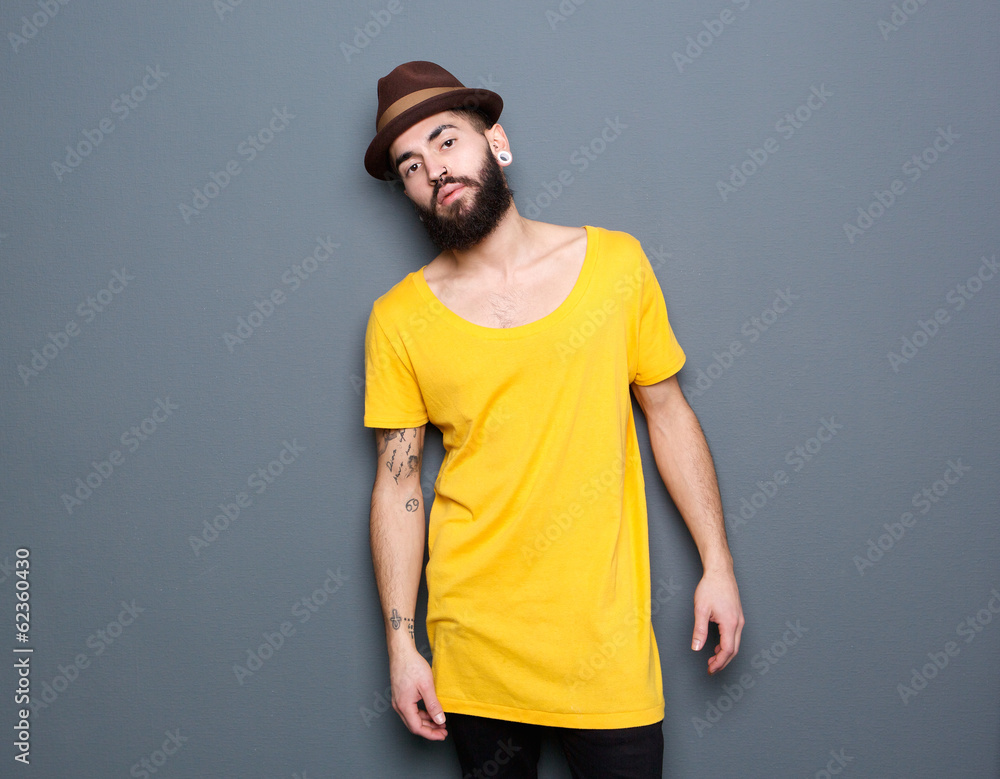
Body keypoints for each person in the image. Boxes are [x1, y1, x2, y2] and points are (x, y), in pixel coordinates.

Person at [362, 61, 745, 779]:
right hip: (474, 650)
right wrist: (401, 646)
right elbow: (398, 484)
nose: (434, 170)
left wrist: (717, 566)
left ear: (496, 142)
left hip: (605, 646)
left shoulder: (616, 265)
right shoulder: (398, 318)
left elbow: (668, 415)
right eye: (411, 165)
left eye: (446, 141)